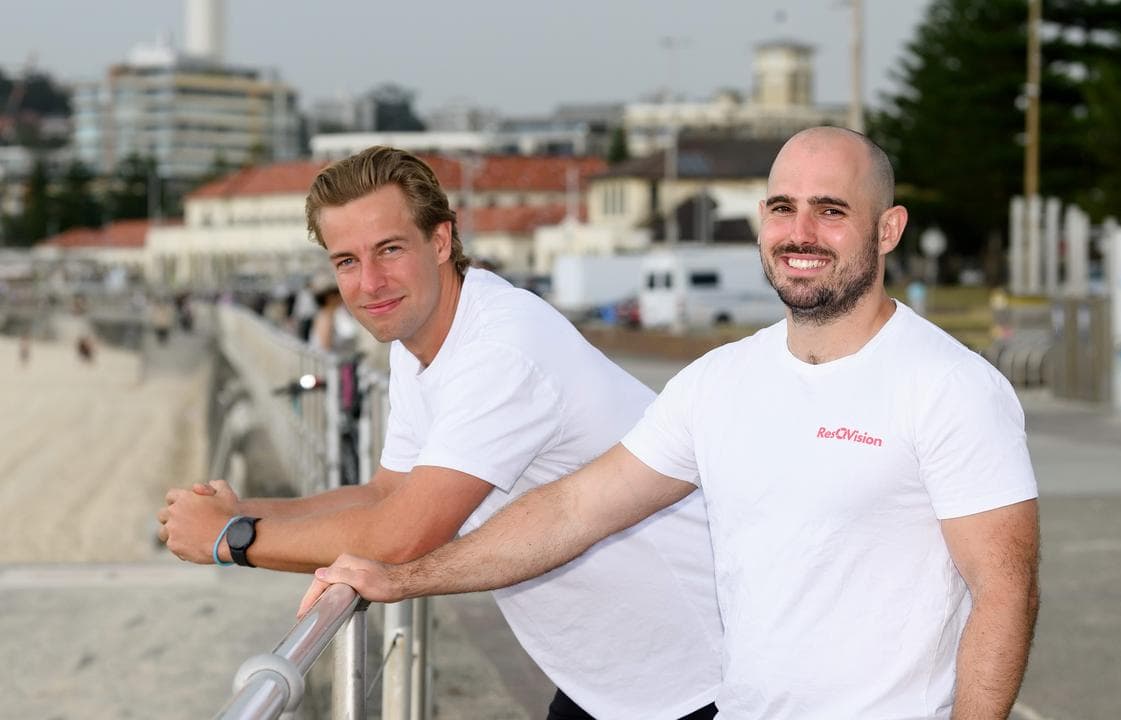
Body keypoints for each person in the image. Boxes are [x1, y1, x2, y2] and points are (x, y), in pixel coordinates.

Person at [302, 127, 1041, 719]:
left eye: (831, 210)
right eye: (782, 208)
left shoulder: (949, 386)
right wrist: (403, 578)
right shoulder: (720, 382)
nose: (801, 232)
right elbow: (572, 511)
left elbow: (1006, 593)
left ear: (888, 229)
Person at [156, 146, 722, 720]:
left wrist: (233, 540)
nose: (370, 282)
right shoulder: (420, 340)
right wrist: (246, 510)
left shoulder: (499, 347)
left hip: (700, 677)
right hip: (607, 682)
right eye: (346, 261)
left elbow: (401, 536)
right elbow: (385, 493)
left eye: (390, 249)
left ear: (442, 240)